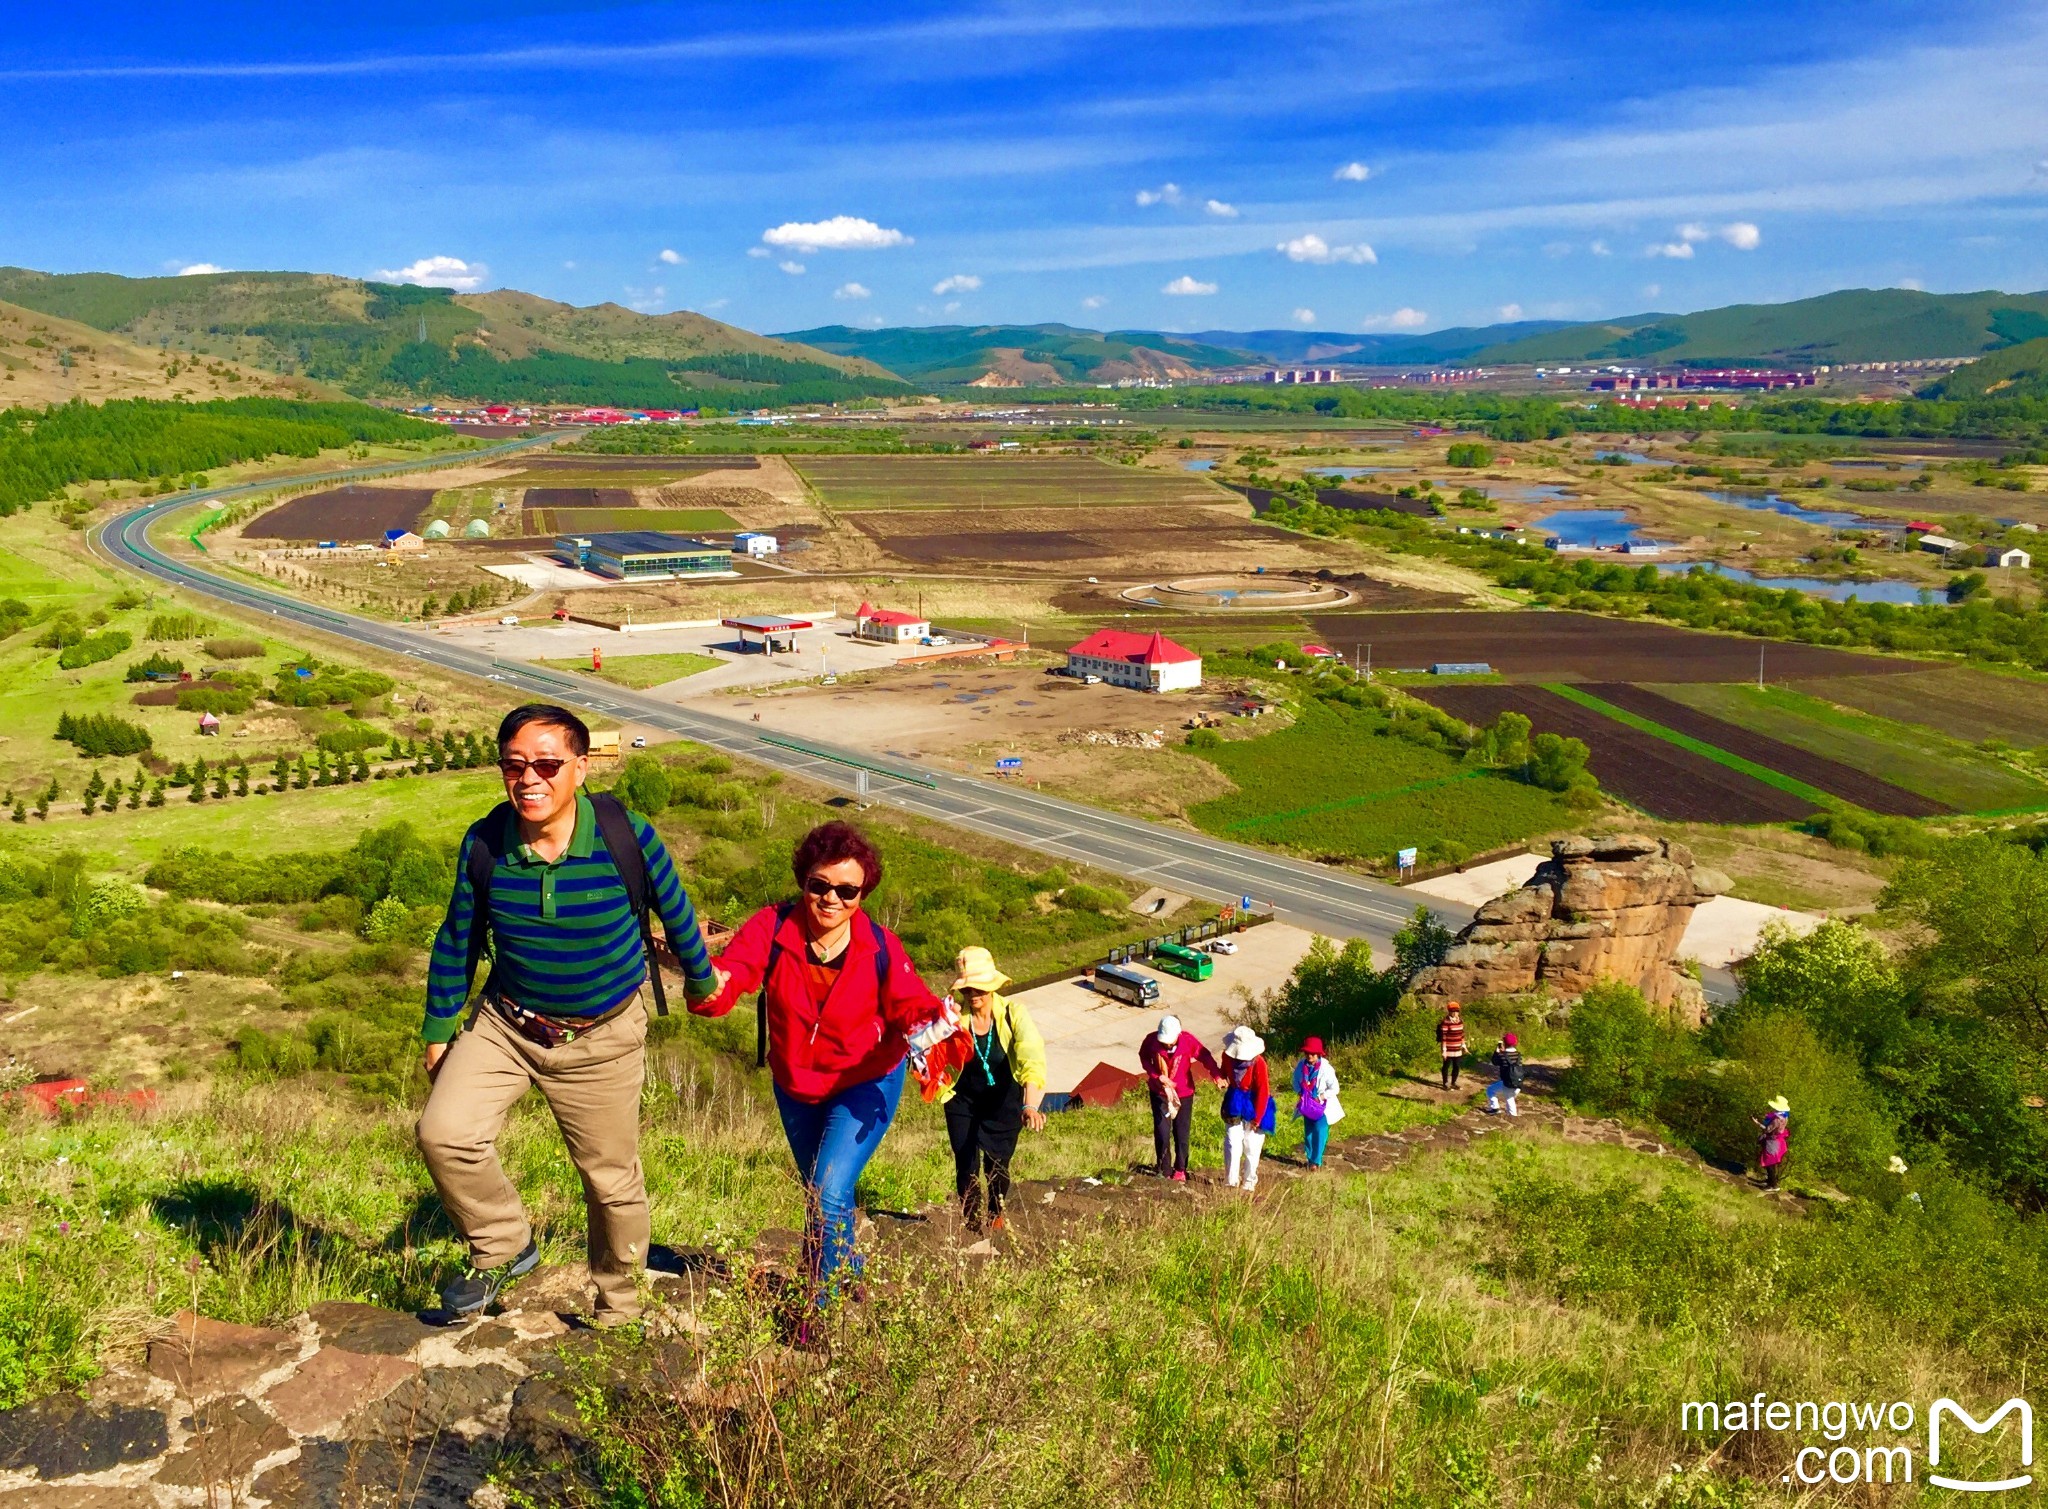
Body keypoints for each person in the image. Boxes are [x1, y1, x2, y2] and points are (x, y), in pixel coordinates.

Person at [417, 704, 723, 1324]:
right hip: (506, 1024)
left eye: (548, 764)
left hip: (601, 1034)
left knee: (610, 1181)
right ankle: (504, 1245)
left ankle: (619, 1306)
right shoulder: (485, 843)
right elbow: (459, 939)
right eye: (513, 765)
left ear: (580, 768)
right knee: (444, 1134)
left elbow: (675, 909)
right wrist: (438, 1030)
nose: (529, 778)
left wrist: (701, 979)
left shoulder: (625, 834)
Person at [693, 821, 947, 1305]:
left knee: (826, 1193)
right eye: (820, 885)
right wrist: (709, 985)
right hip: (796, 1083)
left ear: (862, 894)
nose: (832, 899)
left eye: (847, 890)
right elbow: (734, 975)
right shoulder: (772, 926)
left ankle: (818, 1308)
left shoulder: (880, 946)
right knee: (825, 1189)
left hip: (865, 1080)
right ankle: (849, 1267)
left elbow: (911, 1004)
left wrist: (934, 1023)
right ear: (802, 882)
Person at [923, 946, 1048, 1235]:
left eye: (979, 988)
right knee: (965, 1164)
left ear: (991, 986)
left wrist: (1030, 1105)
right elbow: (928, 1053)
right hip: (963, 1100)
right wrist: (942, 1026)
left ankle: (995, 1212)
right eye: (967, 990)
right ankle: (970, 1223)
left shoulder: (1013, 1015)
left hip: (1003, 1100)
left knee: (997, 1166)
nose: (973, 995)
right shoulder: (954, 1019)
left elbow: (1032, 1055)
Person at [1139, 1015, 1221, 1182]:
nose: (1167, 1044)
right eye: (1164, 1041)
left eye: (1170, 1041)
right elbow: (1144, 1057)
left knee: (1181, 1133)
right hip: (1159, 1092)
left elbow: (1204, 1056)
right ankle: (1164, 1169)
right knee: (1162, 1131)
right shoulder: (1151, 1040)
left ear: (1178, 1034)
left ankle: (1180, 1168)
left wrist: (1216, 1074)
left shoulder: (1187, 1040)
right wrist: (1157, 1076)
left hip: (1184, 1093)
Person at [1219, 1026, 1275, 1192]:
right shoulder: (1227, 1056)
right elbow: (1223, 1073)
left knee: (1252, 1144)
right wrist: (1220, 1078)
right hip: (1234, 1100)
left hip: (1254, 1102)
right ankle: (1231, 1181)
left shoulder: (1259, 1063)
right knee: (1232, 1141)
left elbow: (1263, 1090)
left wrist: (1257, 1118)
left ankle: (1249, 1182)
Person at [1293, 1037, 1344, 1168]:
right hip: (1307, 1105)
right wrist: (1300, 1092)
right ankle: (1310, 1160)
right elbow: (1295, 1081)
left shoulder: (1326, 1069)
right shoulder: (1301, 1066)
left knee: (1320, 1131)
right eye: (1307, 1053)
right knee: (1309, 1132)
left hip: (1322, 1106)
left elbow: (1335, 1088)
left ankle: (1316, 1160)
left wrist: (1321, 1097)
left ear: (1319, 1054)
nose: (1310, 1056)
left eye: (1313, 1054)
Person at [1753, 1095, 1792, 1189]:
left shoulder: (1776, 1119)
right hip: (1778, 1140)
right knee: (1772, 1162)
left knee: (1769, 1162)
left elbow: (1767, 1130)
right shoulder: (1784, 1116)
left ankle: (1773, 1185)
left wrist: (1757, 1123)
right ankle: (1770, 1181)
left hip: (1772, 1141)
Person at [1486, 1032, 1524, 1117]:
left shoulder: (1502, 1055)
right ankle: (1498, 1110)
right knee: (1509, 1099)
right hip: (1518, 1083)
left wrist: (1497, 1051)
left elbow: (1494, 1062)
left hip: (1507, 1083)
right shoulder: (1519, 1055)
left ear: (1504, 1043)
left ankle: (1511, 1118)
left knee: (1493, 1091)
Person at [1437, 1001, 1467, 1090]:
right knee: (1446, 1066)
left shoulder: (1460, 1021)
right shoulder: (1445, 1022)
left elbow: (1462, 1034)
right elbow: (1444, 1037)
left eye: (1456, 1011)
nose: (1455, 1013)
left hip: (1457, 1048)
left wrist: (1464, 1046)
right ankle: (1445, 1083)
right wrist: (1444, 1051)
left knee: (1456, 1066)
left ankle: (1454, 1083)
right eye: (1452, 1011)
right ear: (1449, 1011)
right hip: (1448, 1048)